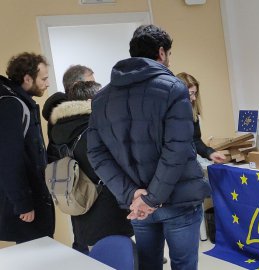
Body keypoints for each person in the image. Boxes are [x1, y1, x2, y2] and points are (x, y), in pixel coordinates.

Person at [87, 24, 209, 270]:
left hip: (137, 201)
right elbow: (176, 150)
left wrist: (133, 194)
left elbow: (97, 153)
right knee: (184, 265)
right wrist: (151, 199)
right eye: (169, 55)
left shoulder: (102, 98)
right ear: (161, 53)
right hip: (176, 200)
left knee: (148, 265)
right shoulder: (173, 88)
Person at [48, 80, 134, 250]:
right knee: (116, 254)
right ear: (90, 101)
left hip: (78, 203)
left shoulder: (58, 129)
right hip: (107, 205)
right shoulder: (95, 126)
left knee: (95, 254)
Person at [0, 52, 55, 243]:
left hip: (28, 197)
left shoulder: (15, 100)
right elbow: (8, 159)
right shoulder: (13, 105)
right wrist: (23, 203)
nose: (47, 83)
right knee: (37, 255)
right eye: (44, 79)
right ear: (27, 78)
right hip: (26, 203)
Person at [42, 64, 96, 253]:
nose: (96, 85)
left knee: (81, 231)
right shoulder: (78, 116)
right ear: (79, 85)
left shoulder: (58, 116)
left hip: (70, 183)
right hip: (87, 180)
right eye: (91, 81)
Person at [176, 72, 226, 163]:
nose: (194, 98)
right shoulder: (167, 113)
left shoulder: (192, 111)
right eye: (191, 93)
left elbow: (195, 140)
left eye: (195, 93)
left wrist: (209, 153)